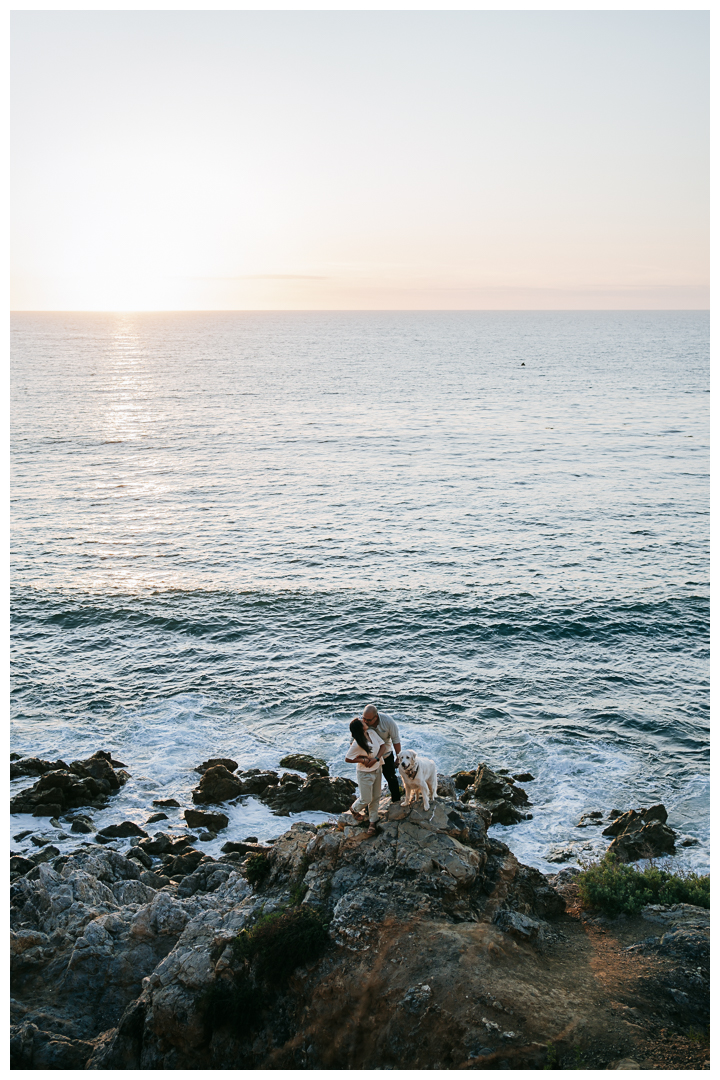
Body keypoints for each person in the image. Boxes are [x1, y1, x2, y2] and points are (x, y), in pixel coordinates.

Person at [345, 717, 385, 835]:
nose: (364, 721)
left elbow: (383, 746)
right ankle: (354, 809)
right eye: (362, 722)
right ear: (360, 727)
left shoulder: (372, 733)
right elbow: (348, 758)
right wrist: (363, 759)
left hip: (377, 769)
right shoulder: (357, 742)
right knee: (366, 799)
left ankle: (373, 822)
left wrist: (376, 759)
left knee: (376, 796)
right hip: (365, 774)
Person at [362, 705, 402, 803]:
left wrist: (398, 758)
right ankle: (368, 808)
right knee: (370, 783)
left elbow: (396, 740)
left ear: (376, 717)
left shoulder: (388, 721)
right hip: (370, 757)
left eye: (368, 720)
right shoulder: (362, 723)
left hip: (386, 755)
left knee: (391, 779)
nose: (365, 721)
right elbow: (353, 741)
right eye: (364, 718)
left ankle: (396, 802)